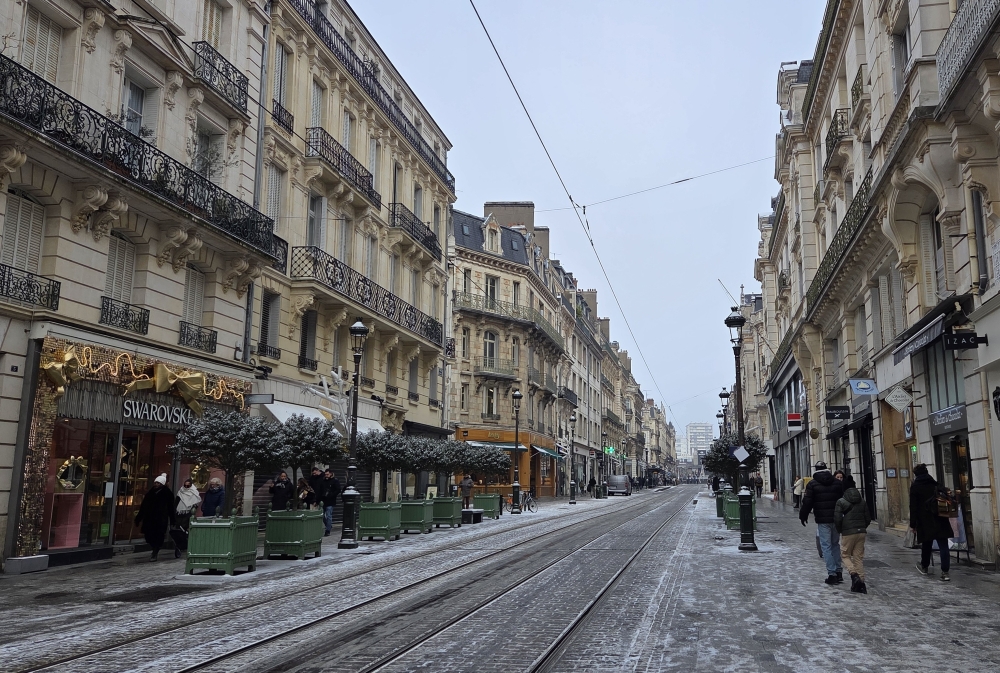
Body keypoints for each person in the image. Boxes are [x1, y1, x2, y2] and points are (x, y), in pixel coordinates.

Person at [799, 461, 845, 585]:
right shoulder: (837, 483)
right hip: (836, 518)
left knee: (826, 546)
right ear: (826, 469)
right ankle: (839, 571)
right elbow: (843, 499)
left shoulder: (812, 484)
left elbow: (807, 502)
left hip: (823, 519)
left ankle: (832, 574)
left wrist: (803, 516)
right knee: (835, 544)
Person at [910, 463, 954, 581]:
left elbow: (913, 507)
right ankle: (945, 572)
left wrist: (912, 524)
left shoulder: (915, 487)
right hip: (940, 518)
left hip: (925, 520)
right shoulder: (936, 484)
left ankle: (924, 566)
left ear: (916, 475)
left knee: (926, 543)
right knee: (943, 545)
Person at [834, 475, 872, 593]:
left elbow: (837, 518)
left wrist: (841, 529)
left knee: (845, 555)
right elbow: (868, 518)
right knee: (858, 558)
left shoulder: (841, 501)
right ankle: (861, 583)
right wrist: (862, 527)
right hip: (861, 532)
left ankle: (854, 575)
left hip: (848, 532)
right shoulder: (862, 501)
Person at [134, 473, 174, 561]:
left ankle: (155, 552)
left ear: (162, 484)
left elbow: (171, 508)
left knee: (158, 536)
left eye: (158, 483)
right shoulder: (150, 493)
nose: (156, 484)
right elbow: (144, 506)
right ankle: (154, 548)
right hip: (150, 518)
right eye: (155, 483)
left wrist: (172, 520)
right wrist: (139, 518)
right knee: (148, 536)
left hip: (160, 519)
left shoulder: (167, 493)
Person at [171, 477, 200, 558]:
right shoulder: (180, 492)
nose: (186, 487)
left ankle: (185, 545)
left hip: (188, 514)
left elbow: (195, 504)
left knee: (185, 530)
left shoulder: (194, 493)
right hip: (179, 513)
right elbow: (176, 502)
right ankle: (179, 546)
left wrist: (190, 514)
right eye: (185, 485)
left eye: (188, 486)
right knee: (178, 530)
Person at [319, 469, 341, 537]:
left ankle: (327, 530)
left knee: (329, 516)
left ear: (331, 474)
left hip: (330, 501)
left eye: (327, 474)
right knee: (322, 516)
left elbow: (338, 490)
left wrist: (332, 494)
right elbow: (320, 490)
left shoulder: (335, 481)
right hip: (323, 501)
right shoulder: (323, 481)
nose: (326, 475)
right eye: (325, 474)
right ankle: (329, 526)